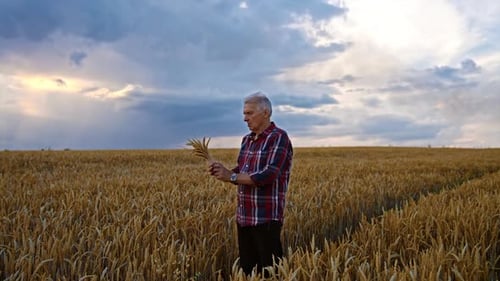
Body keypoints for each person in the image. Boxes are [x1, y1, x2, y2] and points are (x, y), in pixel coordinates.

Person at [209, 92, 293, 276]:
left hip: (266, 219)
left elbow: (267, 176)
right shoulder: (247, 140)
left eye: (249, 113)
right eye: (244, 114)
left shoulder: (279, 138)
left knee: (270, 273)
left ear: (265, 113)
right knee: (248, 272)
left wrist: (231, 176)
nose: (245, 119)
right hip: (244, 218)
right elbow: (242, 170)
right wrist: (224, 171)